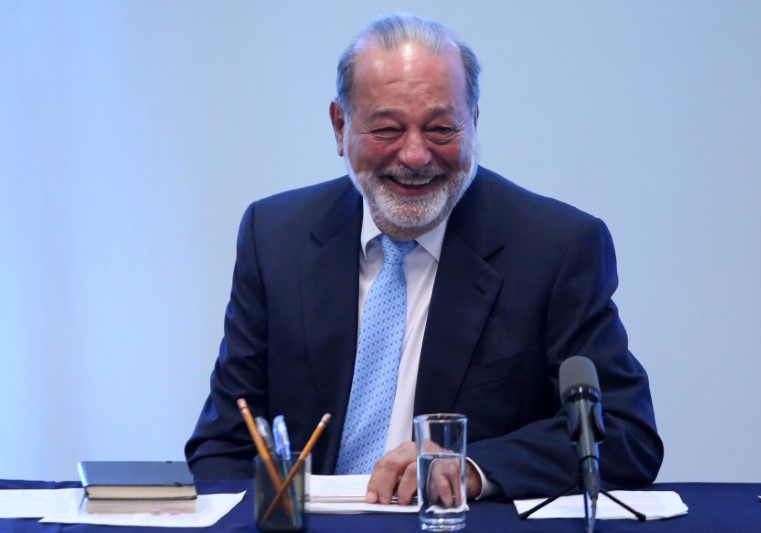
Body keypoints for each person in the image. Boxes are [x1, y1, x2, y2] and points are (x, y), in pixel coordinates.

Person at [185, 13, 663, 503]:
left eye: (440, 129)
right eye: (387, 129)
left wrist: (470, 469)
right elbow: (224, 444)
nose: (415, 155)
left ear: (473, 123)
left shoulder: (556, 247)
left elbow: (625, 435)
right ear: (339, 125)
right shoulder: (275, 237)